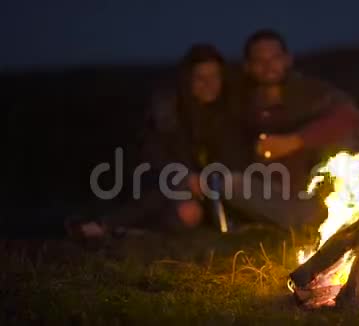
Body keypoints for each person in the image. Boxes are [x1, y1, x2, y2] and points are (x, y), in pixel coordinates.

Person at [67, 44, 237, 239]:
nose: (209, 84)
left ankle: (127, 229)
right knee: (183, 208)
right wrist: (186, 177)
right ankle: (102, 224)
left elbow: (228, 157)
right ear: (188, 79)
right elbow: (154, 155)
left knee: (190, 215)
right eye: (201, 78)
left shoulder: (227, 110)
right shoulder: (169, 109)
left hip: (206, 189)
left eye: (215, 76)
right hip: (162, 180)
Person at [223, 29, 359, 230]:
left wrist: (295, 141)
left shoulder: (310, 94)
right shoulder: (240, 105)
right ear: (248, 66)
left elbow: (351, 116)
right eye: (260, 60)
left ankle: (334, 214)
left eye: (274, 58)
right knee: (231, 183)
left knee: (344, 140)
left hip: (316, 193)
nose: (268, 66)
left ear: (287, 60)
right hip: (273, 195)